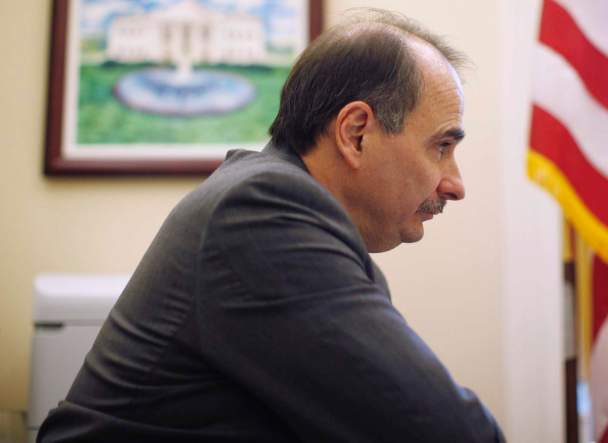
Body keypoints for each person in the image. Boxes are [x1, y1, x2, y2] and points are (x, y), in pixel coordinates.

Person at [38, 9, 504, 443]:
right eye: (441, 146)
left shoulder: (276, 207)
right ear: (356, 132)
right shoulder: (264, 213)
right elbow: (449, 432)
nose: (455, 185)